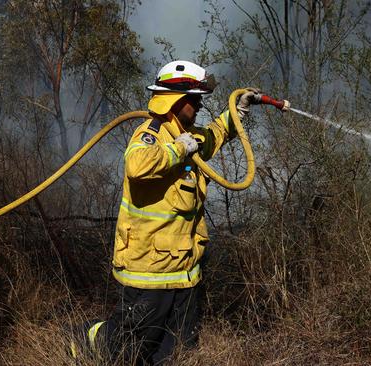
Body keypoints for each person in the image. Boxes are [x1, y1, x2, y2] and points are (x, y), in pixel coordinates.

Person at [76, 61, 261, 364]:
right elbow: (136, 166)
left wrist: (236, 113)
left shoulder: (187, 134)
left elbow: (212, 136)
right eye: (195, 98)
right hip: (149, 270)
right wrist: (177, 150)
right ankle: (85, 340)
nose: (200, 104)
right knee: (131, 345)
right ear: (176, 100)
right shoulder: (151, 133)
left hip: (184, 271)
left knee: (177, 351)